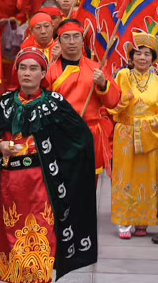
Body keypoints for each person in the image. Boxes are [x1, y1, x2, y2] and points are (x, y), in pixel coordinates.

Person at [0, 46, 97, 283]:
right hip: (11, 183)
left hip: (42, 181)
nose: (27, 73)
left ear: (43, 73)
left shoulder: (55, 103)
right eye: (22, 68)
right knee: (15, 238)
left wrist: (60, 159)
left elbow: (81, 138)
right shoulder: (4, 102)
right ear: (16, 71)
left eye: (33, 68)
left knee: (39, 237)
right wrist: (0, 146)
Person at [109, 33, 158, 239]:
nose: (142, 58)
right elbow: (112, 102)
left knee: (148, 177)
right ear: (131, 57)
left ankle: (143, 220)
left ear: (153, 58)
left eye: (147, 54)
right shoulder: (122, 76)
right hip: (126, 133)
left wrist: (149, 124)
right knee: (125, 176)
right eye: (138, 53)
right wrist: (122, 102)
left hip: (150, 136)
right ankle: (123, 221)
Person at [44, 18, 120, 178]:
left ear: (82, 39)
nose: (72, 41)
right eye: (66, 37)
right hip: (60, 134)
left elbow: (113, 102)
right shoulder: (50, 71)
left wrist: (103, 84)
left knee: (88, 186)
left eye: (76, 36)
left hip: (89, 135)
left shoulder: (96, 68)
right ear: (59, 41)